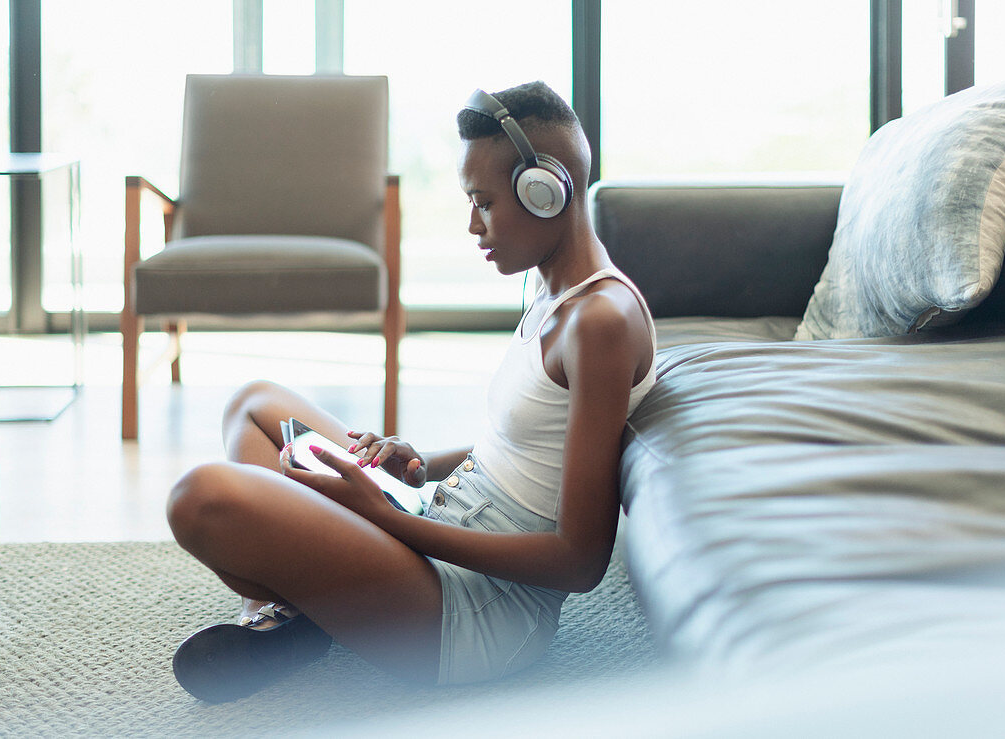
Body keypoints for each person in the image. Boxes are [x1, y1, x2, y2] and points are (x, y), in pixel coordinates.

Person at [166, 80, 657, 703]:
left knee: (201, 498)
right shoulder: (554, 290)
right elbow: (519, 454)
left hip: (480, 610)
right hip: (441, 517)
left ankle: (288, 611)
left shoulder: (600, 323)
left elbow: (580, 562)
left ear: (544, 192)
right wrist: (416, 465)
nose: (472, 224)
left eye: (483, 202)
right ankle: (297, 614)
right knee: (256, 404)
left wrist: (385, 517)